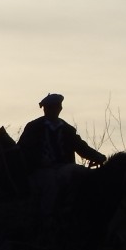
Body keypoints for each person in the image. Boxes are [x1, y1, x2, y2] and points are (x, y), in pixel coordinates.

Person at [17, 93, 107, 225]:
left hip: (64, 168)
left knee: (86, 176)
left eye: (57, 107)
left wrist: (98, 156)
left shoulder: (67, 129)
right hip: (41, 170)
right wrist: (38, 162)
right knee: (50, 183)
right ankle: (46, 219)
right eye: (51, 107)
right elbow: (23, 150)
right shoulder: (34, 128)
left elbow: (81, 147)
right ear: (46, 109)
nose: (55, 110)